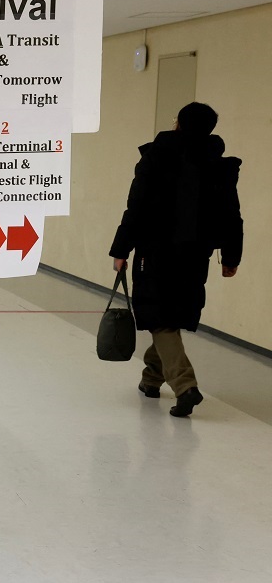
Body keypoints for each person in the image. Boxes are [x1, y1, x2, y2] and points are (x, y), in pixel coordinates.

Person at [109, 102, 243, 418]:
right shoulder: (218, 165)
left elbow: (136, 207)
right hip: (196, 256)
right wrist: (231, 255)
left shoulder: (155, 158)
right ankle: (151, 379)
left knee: (161, 318)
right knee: (171, 314)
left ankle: (185, 386)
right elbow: (231, 215)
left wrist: (121, 249)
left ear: (178, 124)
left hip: (155, 252)